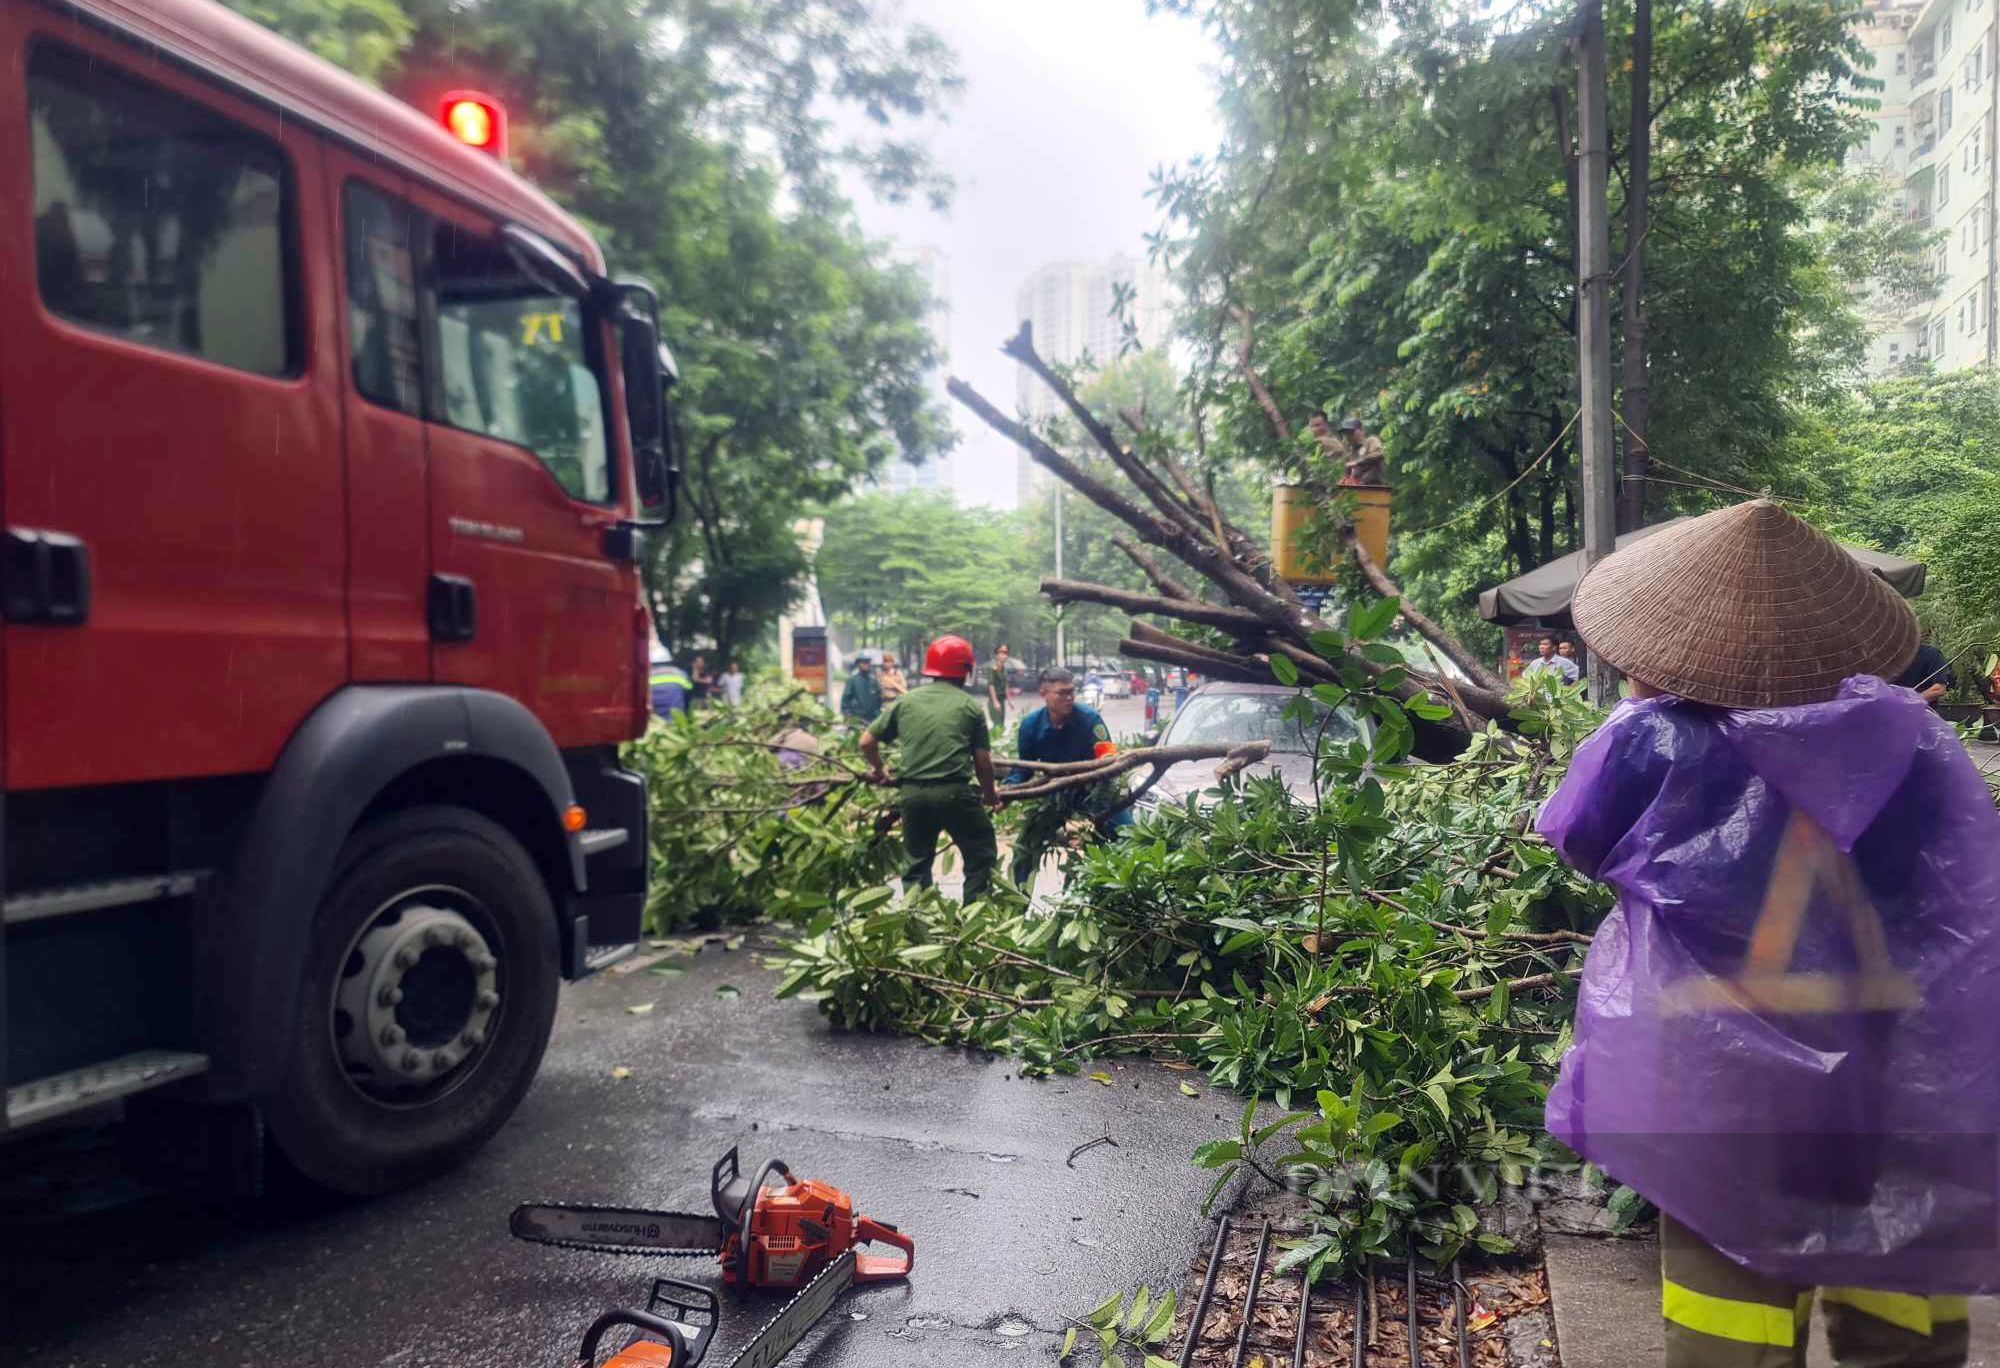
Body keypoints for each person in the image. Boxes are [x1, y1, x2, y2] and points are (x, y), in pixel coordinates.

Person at [1541, 498, 2000, 1367]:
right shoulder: (1916, 743)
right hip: (1886, 1067)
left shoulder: (1656, 744)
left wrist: (1645, 701)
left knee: (1732, 1324)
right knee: (1898, 1303)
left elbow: (1579, 834)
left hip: (1718, 1081)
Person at [860, 635, 999, 904]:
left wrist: (880, 769)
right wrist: (991, 795)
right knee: (980, 855)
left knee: (916, 865)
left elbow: (866, 741)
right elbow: (983, 762)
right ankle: (976, 924)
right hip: (954, 793)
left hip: (912, 794)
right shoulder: (970, 706)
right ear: (965, 670)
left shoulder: (906, 702)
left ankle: (920, 928)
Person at [1002, 667, 1134, 889]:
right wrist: (1007, 792)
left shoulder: (1091, 719)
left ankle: (1121, 889)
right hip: (1055, 795)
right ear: (1043, 694)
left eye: (1072, 691)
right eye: (1062, 693)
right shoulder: (1030, 726)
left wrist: (1101, 788)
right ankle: (1019, 898)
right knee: (1025, 848)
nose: (1069, 697)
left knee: (1128, 835)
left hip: (1094, 791)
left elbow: (1109, 760)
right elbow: (1022, 770)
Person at [1894, 634, 1954, 707]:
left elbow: (1939, 688)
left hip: (1922, 712)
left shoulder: (1931, 654)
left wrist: (1910, 702)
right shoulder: (1886, 657)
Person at [1337, 417, 1388, 487]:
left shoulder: (1371, 441)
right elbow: (1349, 473)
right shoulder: (1351, 452)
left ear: (1361, 431)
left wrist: (1357, 462)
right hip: (1358, 490)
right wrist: (1345, 480)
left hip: (1375, 489)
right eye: (1346, 434)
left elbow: (1378, 454)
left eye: (1351, 432)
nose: (1348, 436)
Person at [648, 644, 692, 722]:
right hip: (678, 720)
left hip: (655, 721)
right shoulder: (681, 673)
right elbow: (688, 692)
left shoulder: (647, 676)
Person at [840, 654, 882, 724]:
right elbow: (845, 700)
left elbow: (879, 699)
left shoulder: (873, 680)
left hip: (872, 719)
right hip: (857, 718)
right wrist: (848, 714)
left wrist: (877, 713)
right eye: (864, 662)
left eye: (868, 662)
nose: (867, 664)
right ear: (858, 664)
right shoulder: (852, 680)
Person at [985, 645, 1010, 729]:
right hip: (994, 700)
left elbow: (1006, 684)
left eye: (1006, 653)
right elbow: (991, 685)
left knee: (1001, 725)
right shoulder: (992, 668)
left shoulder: (1004, 669)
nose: (1004, 655)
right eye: (1001, 652)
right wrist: (995, 702)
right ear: (996, 655)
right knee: (997, 725)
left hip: (1002, 700)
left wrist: (1009, 701)